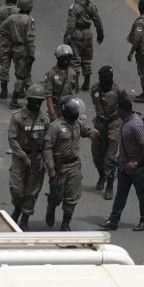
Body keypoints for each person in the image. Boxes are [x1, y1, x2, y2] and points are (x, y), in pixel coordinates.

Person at [43, 96, 98, 231]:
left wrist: (93, 133)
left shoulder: (77, 123)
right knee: (57, 195)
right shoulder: (55, 127)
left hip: (74, 165)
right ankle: (51, 208)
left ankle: (65, 223)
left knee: (72, 196)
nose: (75, 113)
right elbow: (47, 148)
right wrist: (50, 167)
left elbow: (86, 131)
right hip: (59, 167)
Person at [98, 97, 144, 232]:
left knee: (142, 194)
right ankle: (114, 220)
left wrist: (136, 163)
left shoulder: (135, 124)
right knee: (121, 193)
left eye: (117, 109)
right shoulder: (125, 121)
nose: (116, 111)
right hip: (124, 166)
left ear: (123, 110)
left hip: (137, 168)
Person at [8, 84, 49, 230]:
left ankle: (24, 220)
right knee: (17, 190)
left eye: (40, 101)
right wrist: (23, 156)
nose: (37, 104)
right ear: (28, 100)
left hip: (37, 158)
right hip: (21, 158)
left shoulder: (45, 119)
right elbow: (12, 139)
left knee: (32, 192)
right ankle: (17, 208)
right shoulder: (17, 117)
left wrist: (45, 158)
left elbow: (48, 141)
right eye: (34, 100)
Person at [90, 65, 125, 201]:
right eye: (101, 78)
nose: (103, 80)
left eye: (106, 78)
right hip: (99, 125)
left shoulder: (119, 91)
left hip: (113, 126)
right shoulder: (94, 89)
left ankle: (109, 185)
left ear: (111, 78)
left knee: (109, 159)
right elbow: (95, 104)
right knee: (96, 156)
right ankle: (102, 176)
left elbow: (124, 108)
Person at [63, 0, 104, 91]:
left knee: (75, 60)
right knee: (86, 59)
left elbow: (70, 25)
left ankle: (75, 84)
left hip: (76, 34)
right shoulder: (91, 6)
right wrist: (101, 35)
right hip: (88, 33)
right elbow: (98, 22)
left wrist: (66, 39)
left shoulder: (74, 7)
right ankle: (87, 82)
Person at [0, 0, 36, 109]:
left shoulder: (12, 18)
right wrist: (31, 54)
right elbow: (30, 39)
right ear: (29, 7)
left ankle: (31, 97)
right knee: (22, 76)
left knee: (23, 74)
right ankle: (14, 101)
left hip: (14, 49)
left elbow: (1, 28)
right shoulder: (29, 20)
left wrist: (12, 35)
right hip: (24, 51)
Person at [0, 0, 18, 100]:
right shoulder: (19, 11)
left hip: (4, 42)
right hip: (17, 43)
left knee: (4, 66)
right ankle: (19, 90)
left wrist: (2, 31)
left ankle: (4, 90)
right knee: (19, 66)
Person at [44, 44, 76, 121]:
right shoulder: (51, 73)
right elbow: (48, 95)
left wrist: (75, 107)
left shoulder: (72, 72)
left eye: (68, 58)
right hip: (56, 108)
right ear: (58, 58)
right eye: (64, 58)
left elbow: (74, 91)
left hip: (69, 108)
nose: (66, 60)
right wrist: (52, 112)